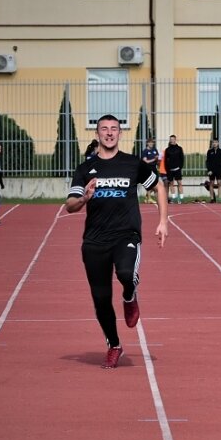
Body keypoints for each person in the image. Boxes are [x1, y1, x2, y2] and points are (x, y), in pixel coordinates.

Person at [65, 115, 168, 369]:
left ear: (120, 133)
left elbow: (159, 187)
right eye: (104, 129)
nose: (109, 133)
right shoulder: (84, 169)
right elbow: (70, 206)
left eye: (114, 129)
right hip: (94, 241)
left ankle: (130, 295)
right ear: (98, 133)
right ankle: (114, 345)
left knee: (125, 273)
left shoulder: (132, 164)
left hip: (126, 235)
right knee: (100, 299)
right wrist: (84, 198)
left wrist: (163, 221)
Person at [164, 135, 184, 204]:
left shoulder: (179, 148)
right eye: (171, 139)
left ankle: (181, 198)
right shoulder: (167, 150)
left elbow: (182, 159)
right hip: (170, 170)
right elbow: (165, 161)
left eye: (173, 139)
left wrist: (180, 167)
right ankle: (174, 198)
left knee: (179, 183)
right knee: (171, 184)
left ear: (175, 140)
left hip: (177, 169)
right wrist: (167, 169)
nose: (172, 140)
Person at [206, 139, 221, 203]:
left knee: (219, 183)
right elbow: (208, 162)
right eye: (213, 142)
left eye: (216, 142)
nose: (214, 143)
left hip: (219, 170)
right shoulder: (209, 151)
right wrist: (209, 170)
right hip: (212, 170)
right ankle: (212, 198)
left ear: (218, 143)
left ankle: (219, 198)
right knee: (211, 183)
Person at [141, 138, 159, 204]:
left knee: (155, 184)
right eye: (150, 143)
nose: (151, 144)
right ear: (147, 143)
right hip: (148, 169)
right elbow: (146, 161)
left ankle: (147, 197)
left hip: (154, 168)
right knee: (150, 184)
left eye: (152, 143)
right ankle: (149, 198)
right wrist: (154, 159)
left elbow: (157, 157)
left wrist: (157, 160)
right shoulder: (145, 151)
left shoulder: (155, 150)